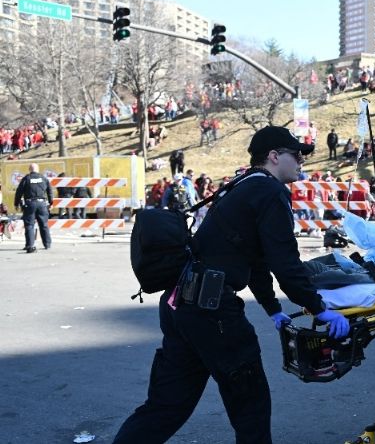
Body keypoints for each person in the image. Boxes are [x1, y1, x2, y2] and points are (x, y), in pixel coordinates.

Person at [113, 126, 350, 444]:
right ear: (274, 156)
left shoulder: (240, 186)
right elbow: (285, 262)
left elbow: (253, 258)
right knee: (251, 405)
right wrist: (320, 309)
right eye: (296, 155)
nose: (302, 162)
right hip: (213, 311)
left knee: (166, 406)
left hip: (180, 303)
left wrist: (273, 308)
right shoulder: (271, 191)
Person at [13, 163, 52, 253]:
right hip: (42, 204)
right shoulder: (43, 178)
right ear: (38, 169)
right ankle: (47, 244)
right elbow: (49, 191)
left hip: (30, 204)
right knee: (44, 224)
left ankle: (30, 245)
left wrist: (16, 203)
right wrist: (51, 202)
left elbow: (19, 192)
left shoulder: (26, 178)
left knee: (29, 225)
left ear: (29, 169)